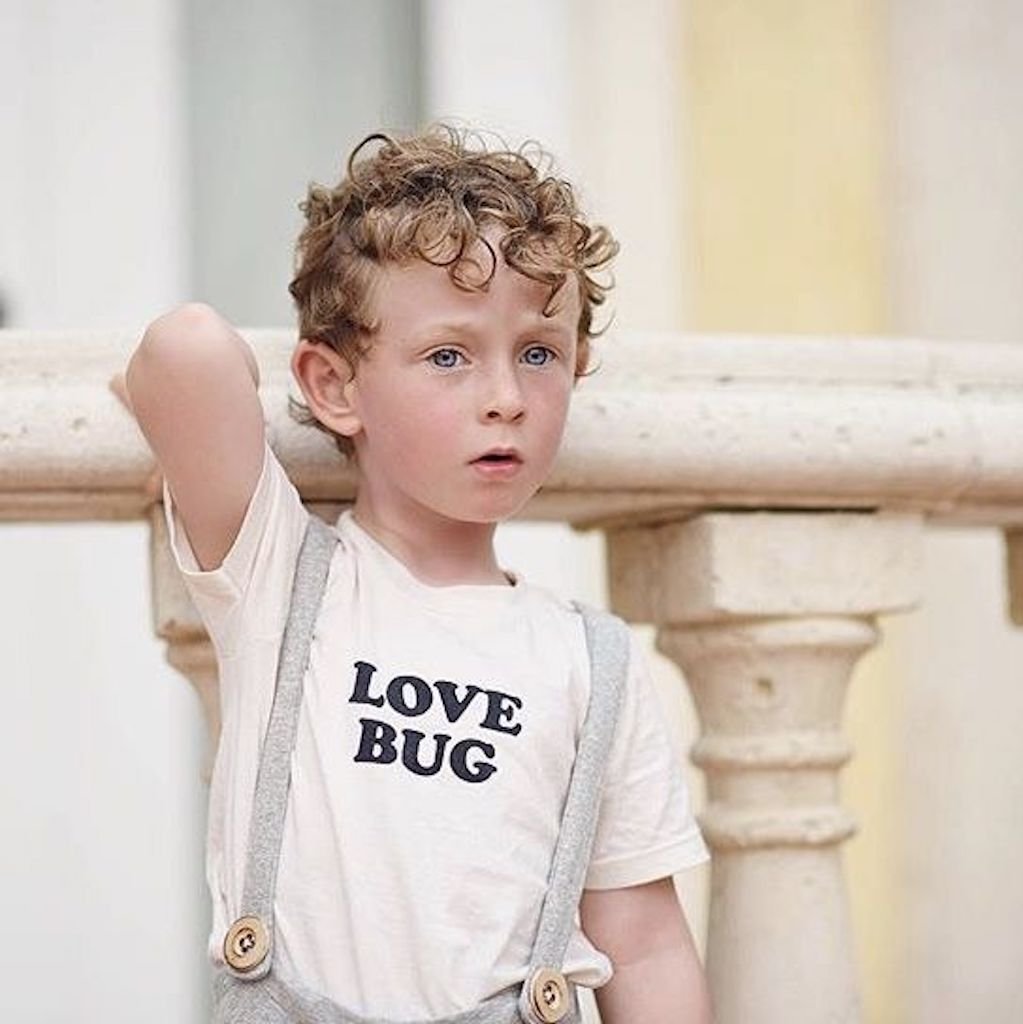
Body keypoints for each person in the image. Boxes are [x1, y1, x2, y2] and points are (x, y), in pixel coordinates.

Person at [115, 126, 712, 1023]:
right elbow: (185, 352)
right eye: (449, 355)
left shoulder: (593, 662)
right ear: (333, 387)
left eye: (539, 353)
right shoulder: (282, 579)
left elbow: (649, 945)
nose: (506, 397)